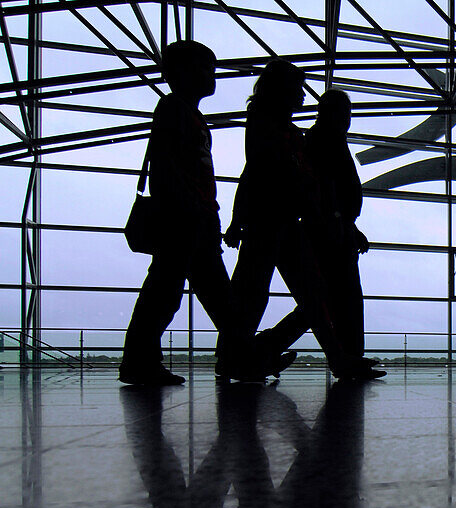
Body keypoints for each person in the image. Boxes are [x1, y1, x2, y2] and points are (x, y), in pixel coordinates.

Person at [224, 60, 382, 380]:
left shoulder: (285, 131)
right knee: (290, 295)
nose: (303, 96)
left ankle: (244, 355)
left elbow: (254, 174)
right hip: (275, 221)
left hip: (282, 222)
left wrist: (238, 218)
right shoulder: (278, 131)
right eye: (297, 88)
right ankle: (245, 355)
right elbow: (264, 174)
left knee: (284, 294)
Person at [119, 41, 265, 386]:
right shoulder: (175, 109)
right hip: (185, 220)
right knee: (179, 294)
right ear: (179, 73)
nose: (210, 76)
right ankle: (241, 359)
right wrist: (192, 209)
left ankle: (242, 358)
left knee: (199, 296)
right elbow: (167, 166)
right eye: (203, 69)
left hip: (192, 219)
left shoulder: (185, 112)